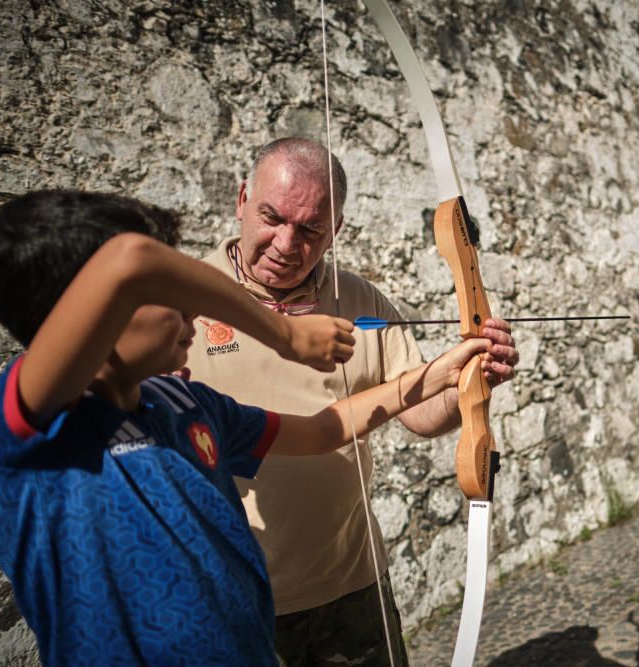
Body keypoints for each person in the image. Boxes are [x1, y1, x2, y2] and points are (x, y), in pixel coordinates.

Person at [0, 190, 493, 666]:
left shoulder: (184, 401)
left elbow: (323, 430)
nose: (191, 306)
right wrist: (285, 335)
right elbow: (130, 258)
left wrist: (438, 375)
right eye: (165, 289)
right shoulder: (21, 427)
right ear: (94, 311)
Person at [185, 138, 519, 665]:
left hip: (352, 582)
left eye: (311, 230)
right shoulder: (183, 303)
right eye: (272, 216)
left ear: (335, 231)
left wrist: (468, 383)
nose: (285, 243)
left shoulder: (362, 301)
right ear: (242, 199)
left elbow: (418, 412)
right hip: (234, 596)